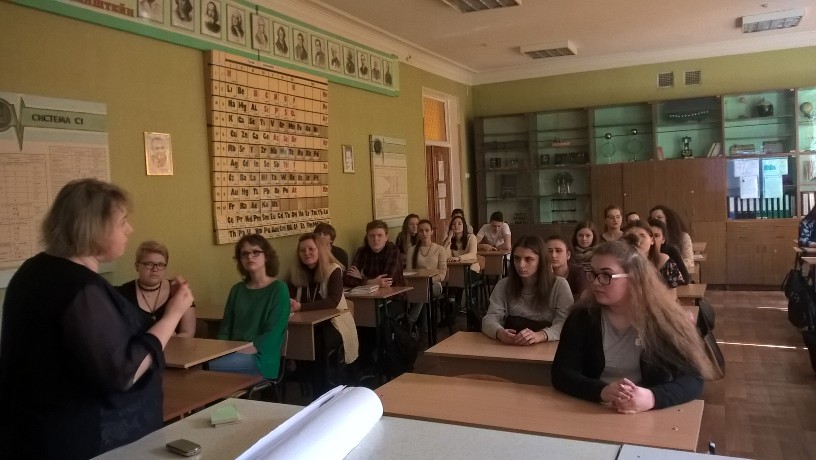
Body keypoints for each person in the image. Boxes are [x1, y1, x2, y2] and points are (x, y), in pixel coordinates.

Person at [0, 179, 194, 458]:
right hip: (74, 440)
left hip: (30, 432)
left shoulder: (33, 270)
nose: (129, 229)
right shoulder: (79, 287)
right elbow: (124, 371)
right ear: (94, 228)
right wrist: (174, 313)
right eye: (122, 222)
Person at [552, 240, 717, 413]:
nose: (596, 282)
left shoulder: (663, 320)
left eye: (606, 275)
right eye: (592, 274)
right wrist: (601, 391)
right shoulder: (582, 317)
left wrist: (652, 397)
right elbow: (561, 373)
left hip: (650, 413)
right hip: (595, 409)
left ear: (633, 278)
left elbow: (693, 379)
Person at [209, 234, 289, 378]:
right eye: (244, 254)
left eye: (255, 252)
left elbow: (273, 334)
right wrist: (220, 350)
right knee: (201, 365)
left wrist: (238, 351)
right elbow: (225, 329)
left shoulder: (279, 289)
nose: (250, 257)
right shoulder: (237, 290)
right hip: (232, 353)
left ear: (266, 256)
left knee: (206, 368)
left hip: (261, 358)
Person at [288, 234, 359, 394]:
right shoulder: (296, 272)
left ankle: (324, 389)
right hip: (307, 325)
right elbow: (290, 298)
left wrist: (301, 307)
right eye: (302, 250)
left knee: (319, 342)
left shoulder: (333, 270)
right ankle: (307, 383)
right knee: (296, 339)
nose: (307, 253)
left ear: (319, 250)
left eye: (311, 249)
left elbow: (333, 301)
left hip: (334, 323)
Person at [482, 235, 574, 345]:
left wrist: (540, 335)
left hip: (547, 347)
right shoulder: (503, 285)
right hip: (511, 346)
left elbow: (565, 323)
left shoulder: (559, 285)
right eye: (517, 258)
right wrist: (499, 332)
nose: (521, 265)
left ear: (541, 261)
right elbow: (490, 318)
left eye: (528, 259)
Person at [117, 240, 197, 337]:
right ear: (137, 266)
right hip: (137, 346)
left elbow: (188, 333)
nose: (155, 269)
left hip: (174, 346)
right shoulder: (122, 293)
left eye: (160, 265)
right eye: (149, 264)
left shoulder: (178, 290)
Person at [405, 219, 448, 324]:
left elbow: (442, 273)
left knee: (424, 291)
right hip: (417, 284)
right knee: (422, 293)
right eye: (421, 231)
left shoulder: (440, 249)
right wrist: (420, 283)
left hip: (435, 284)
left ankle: (410, 321)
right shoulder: (412, 250)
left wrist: (428, 281)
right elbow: (408, 271)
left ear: (432, 232)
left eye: (427, 230)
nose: (424, 233)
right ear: (417, 232)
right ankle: (424, 328)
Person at [622, 221, 685, 289]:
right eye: (632, 236)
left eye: (642, 235)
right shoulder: (619, 262)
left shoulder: (663, 261)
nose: (638, 240)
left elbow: (673, 292)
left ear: (652, 240)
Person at [343, 220, 405, 289]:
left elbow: (386, 280)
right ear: (367, 237)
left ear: (386, 237)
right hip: (369, 292)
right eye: (372, 236)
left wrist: (361, 278)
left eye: (379, 235)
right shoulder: (362, 251)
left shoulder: (393, 250)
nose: (375, 239)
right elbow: (347, 278)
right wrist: (370, 282)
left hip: (394, 293)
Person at [649, 205, 693, 270]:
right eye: (653, 218)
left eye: (659, 217)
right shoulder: (648, 237)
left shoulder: (683, 236)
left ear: (667, 219)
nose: (656, 220)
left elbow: (689, 261)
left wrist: (670, 266)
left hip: (676, 271)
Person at [648, 218, 689, 285]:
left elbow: (685, 278)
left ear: (663, 239)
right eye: (650, 236)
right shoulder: (640, 254)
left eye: (656, 236)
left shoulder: (671, 251)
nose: (653, 239)